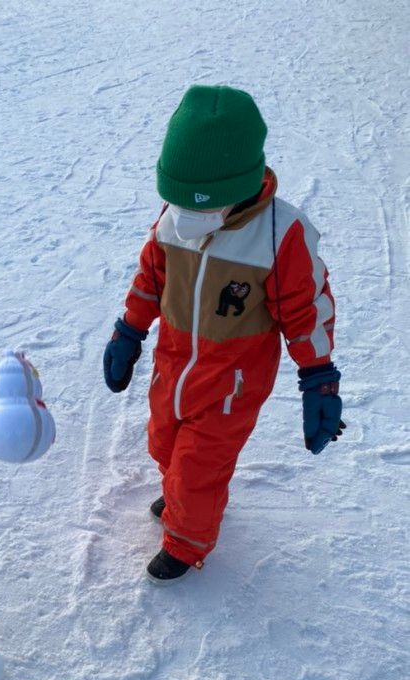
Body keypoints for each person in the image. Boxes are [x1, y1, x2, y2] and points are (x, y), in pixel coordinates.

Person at [104, 85, 343, 583]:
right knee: (164, 443)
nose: (182, 218)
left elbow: (306, 311)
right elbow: (151, 277)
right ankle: (180, 496)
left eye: (197, 207)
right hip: (174, 363)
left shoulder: (279, 235)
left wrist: (319, 377)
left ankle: (187, 542)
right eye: (175, 202)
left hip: (233, 381)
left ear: (237, 188)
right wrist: (129, 329)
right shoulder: (174, 219)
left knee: (198, 466)